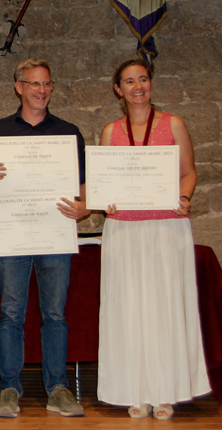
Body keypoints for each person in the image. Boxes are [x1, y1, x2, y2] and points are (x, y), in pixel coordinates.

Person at [0, 58, 89, 418]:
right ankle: (9, 388)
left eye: (47, 84)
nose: (42, 90)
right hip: (13, 237)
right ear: (19, 87)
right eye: (35, 84)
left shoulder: (69, 132)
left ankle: (57, 388)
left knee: (55, 314)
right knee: (11, 313)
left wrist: (85, 207)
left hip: (54, 234)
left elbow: (84, 184)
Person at [96, 59, 211, 420]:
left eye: (142, 79)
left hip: (166, 228)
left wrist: (186, 197)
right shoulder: (110, 132)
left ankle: (166, 391)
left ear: (151, 83)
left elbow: (189, 172)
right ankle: (135, 389)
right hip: (123, 229)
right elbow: (104, 184)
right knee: (128, 310)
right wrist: (104, 200)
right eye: (129, 81)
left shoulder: (173, 124)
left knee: (166, 309)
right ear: (118, 89)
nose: (137, 87)